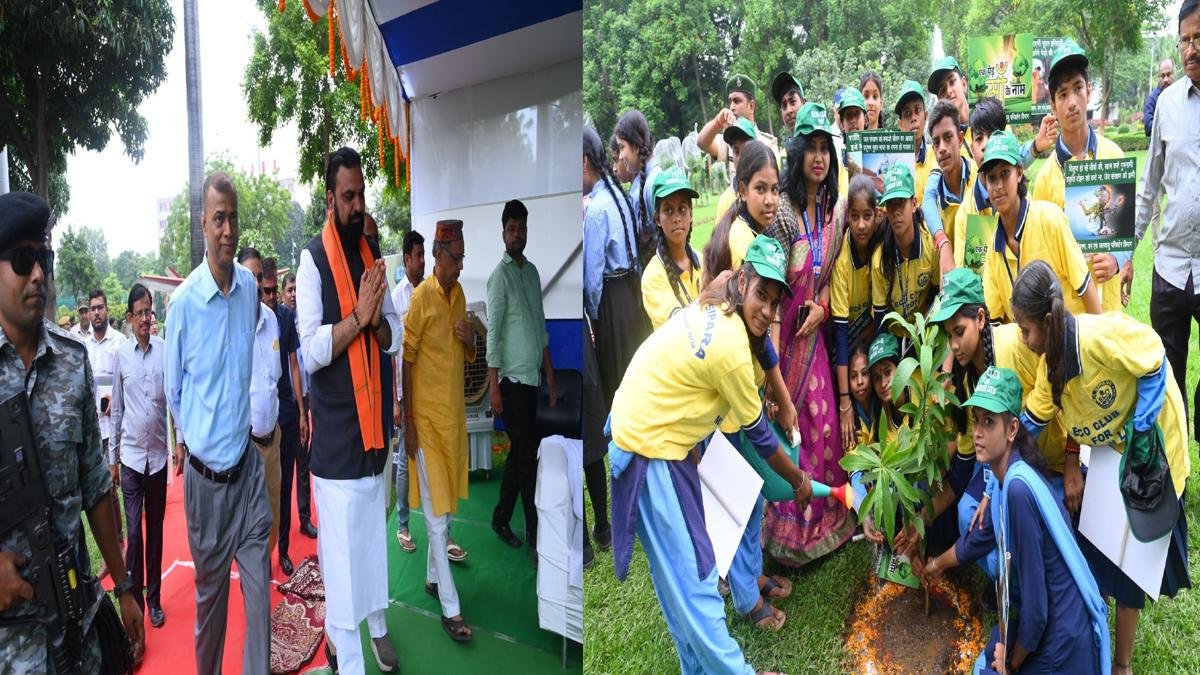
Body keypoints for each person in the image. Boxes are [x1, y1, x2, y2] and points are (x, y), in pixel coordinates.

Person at [609, 235, 813, 675]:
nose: (767, 311)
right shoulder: (731, 350)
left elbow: (763, 349)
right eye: (762, 294)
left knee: (678, 582)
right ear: (743, 281)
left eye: (774, 302)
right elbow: (760, 438)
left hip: (656, 435)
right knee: (697, 578)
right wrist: (798, 481)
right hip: (649, 447)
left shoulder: (722, 294)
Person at [1011, 260, 1191, 675]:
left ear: (1045, 321)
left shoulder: (1098, 336)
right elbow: (1030, 428)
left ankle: (1122, 665)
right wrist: (994, 480)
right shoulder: (1049, 371)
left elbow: (1154, 358)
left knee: (1133, 561)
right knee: (1104, 548)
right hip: (1114, 449)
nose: (1023, 339)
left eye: (1025, 330)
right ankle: (1102, 628)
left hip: (1154, 444)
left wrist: (1143, 430)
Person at [0, 192, 145, 669]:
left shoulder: (72, 361)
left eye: (43, 258)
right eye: (24, 260)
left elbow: (95, 489)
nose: (39, 274)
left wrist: (123, 588)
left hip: (79, 629)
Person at [917, 366, 1110, 674]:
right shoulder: (1005, 478)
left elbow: (1036, 611)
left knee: (990, 666)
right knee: (994, 648)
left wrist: (1012, 661)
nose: (977, 432)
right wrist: (936, 565)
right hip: (1056, 627)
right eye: (976, 420)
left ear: (1012, 430)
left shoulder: (1018, 491)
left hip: (1062, 643)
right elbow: (979, 539)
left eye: (989, 422)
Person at [296, 148, 403, 672]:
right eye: (348, 196)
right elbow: (311, 350)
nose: (358, 204)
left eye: (362, 194)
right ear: (330, 198)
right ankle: (351, 655)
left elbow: (394, 335)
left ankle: (379, 626)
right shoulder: (312, 259)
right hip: (337, 444)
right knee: (341, 568)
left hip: (374, 437)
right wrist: (359, 317)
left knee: (371, 549)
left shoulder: (372, 253)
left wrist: (377, 320)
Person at [166, 171, 272, 673]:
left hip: (248, 474)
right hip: (206, 489)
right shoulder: (183, 305)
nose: (228, 229)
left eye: (233, 217)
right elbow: (175, 393)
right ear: (203, 224)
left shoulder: (250, 288)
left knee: (260, 603)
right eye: (218, 219)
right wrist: (197, 440)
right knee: (212, 612)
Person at [764, 101, 854, 567]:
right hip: (780, 341)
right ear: (797, 154)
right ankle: (785, 537)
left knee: (821, 431)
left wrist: (820, 308)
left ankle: (824, 525)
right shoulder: (781, 213)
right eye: (811, 148)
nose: (819, 157)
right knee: (786, 430)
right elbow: (768, 285)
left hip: (813, 335)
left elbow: (828, 279)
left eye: (825, 148)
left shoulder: (834, 214)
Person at [403, 218, 479, 644]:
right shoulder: (420, 299)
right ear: (437, 255)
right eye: (456, 257)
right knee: (435, 519)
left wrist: (470, 340)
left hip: (453, 422)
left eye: (463, 257)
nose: (461, 266)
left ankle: (433, 577)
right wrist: (409, 422)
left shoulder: (459, 294)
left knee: (446, 509)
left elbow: (467, 356)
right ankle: (450, 607)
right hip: (426, 424)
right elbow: (406, 361)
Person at [1133, 0, 1200, 445]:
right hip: (1171, 268)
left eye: (1199, 38)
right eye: (1185, 41)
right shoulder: (1168, 106)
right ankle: (1174, 478)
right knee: (1167, 385)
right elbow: (1149, 184)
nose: (1191, 49)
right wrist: (1125, 251)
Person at [1031, 39, 1129, 312]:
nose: (1072, 102)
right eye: (1062, 95)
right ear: (1052, 105)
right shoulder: (1045, 180)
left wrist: (1117, 260)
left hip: (1108, 312)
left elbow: (1125, 232)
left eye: (1077, 89)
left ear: (1089, 91)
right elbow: (1043, 257)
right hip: (1068, 318)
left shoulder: (1113, 157)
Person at [487, 198, 556, 563]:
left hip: (532, 379)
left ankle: (500, 518)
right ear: (503, 233)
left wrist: (552, 377)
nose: (518, 234)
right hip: (510, 382)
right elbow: (494, 334)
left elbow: (541, 328)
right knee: (527, 456)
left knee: (519, 452)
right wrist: (494, 386)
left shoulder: (531, 273)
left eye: (522, 228)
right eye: (512, 229)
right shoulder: (498, 279)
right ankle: (535, 537)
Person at [976, 130, 1101, 324]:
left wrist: (1100, 338)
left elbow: (1084, 285)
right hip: (1027, 350)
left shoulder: (1049, 219)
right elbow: (996, 320)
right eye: (991, 178)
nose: (998, 186)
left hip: (1070, 338)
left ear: (1019, 173)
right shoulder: (994, 248)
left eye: (1004, 173)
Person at [111, 283, 169, 629]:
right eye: (141, 312)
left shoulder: (164, 350)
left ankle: (155, 599)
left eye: (150, 311)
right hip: (131, 459)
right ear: (130, 318)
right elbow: (116, 408)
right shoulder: (121, 355)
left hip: (159, 458)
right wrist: (113, 459)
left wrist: (178, 443)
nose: (147, 317)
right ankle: (133, 602)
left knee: (157, 530)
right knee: (135, 531)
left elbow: (173, 399)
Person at [237, 248, 284, 569]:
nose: (254, 284)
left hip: (274, 441)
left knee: (275, 515)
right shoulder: (229, 326)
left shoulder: (271, 321)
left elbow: (276, 378)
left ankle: (261, 571)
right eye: (248, 277)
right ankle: (252, 581)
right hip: (246, 446)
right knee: (249, 521)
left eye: (258, 277)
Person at [262, 257, 308, 577]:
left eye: (270, 291)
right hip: (261, 422)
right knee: (263, 493)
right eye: (262, 291)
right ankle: (260, 555)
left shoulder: (285, 318)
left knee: (286, 485)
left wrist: (303, 411)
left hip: (288, 414)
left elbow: (294, 365)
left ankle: (284, 552)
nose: (268, 297)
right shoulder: (247, 321)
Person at [833, 175, 883, 448]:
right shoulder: (842, 258)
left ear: (877, 214)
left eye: (867, 215)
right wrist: (843, 400)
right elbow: (840, 332)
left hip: (871, 338)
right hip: (846, 348)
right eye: (855, 216)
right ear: (847, 218)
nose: (862, 225)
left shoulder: (881, 245)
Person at [85, 287, 127, 577]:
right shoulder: (82, 344)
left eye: (101, 307)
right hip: (92, 428)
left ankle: (121, 542)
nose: (97, 312)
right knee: (101, 491)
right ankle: (114, 546)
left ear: (107, 310)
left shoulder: (119, 343)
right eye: (92, 308)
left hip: (115, 427)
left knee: (113, 486)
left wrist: (115, 396)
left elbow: (126, 381)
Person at [871, 163, 940, 332]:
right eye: (891, 204)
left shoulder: (930, 247)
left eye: (901, 202)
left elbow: (938, 294)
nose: (896, 212)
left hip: (924, 331)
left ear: (914, 204)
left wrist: (926, 326)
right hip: (892, 336)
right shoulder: (879, 259)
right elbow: (880, 318)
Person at [392, 230, 424, 554]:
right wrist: (396, 402)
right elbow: (393, 355)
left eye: (424, 255)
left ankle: (440, 528)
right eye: (418, 256)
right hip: (406, 393)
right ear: (406, 259)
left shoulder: (430, 291)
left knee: (432, 458)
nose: (423, 262)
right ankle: (403, 525)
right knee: (404, 461)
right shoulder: (397, 297)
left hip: (429, 392)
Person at [641, 166, 702, 329]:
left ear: (691, 214)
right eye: (668, 210)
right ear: (657, 219)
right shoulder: (652, 276)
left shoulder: (703, 261)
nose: (676, 218)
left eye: (682, 209)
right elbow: (678, 327)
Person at [282, 271, 318, 541]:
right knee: (285, 469)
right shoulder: (279, 322)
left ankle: (305, 518)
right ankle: (279, 526)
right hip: (286, 407)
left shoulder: (307, 320)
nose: (293, 294)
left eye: (296, 289)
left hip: (305, 400)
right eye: (289, 289)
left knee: (304, 462)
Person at [923, 100, 977, 276]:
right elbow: (927, 201)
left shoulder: (979, 177)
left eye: (948, 138)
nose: (942, 149)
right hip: (946, 280)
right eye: (936, 142)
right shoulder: (934, 190)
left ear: (960, 139)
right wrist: (943, 242)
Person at [698, 74, 781, 173]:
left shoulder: (768, 144)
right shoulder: (729, 141)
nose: (732, 107)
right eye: (730, 101)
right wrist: (717, 123)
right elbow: (702, 143)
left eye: (737, 101)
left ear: (751, 106)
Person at [613, 109, 661, 268]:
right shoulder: (644, 184)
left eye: (621, 147)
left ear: (637, 145)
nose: (620, 157)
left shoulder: (651, 184)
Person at [893, 81, 936, 207]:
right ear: (900, 124)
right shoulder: (892, 162)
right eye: (907, 113)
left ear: (926, 116)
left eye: (917, 110)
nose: (913, 117)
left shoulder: (938, 157)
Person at [714, 117, 758, 225]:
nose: (741, 157)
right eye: (736, 150)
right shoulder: (726, 200)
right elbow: (719, 240)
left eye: (747, 149)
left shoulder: (767, 192)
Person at [1143, 58, 1175, 137]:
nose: (1166, 79)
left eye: (1169, 74)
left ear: (1174, 74)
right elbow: (1148, 128)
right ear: (1158, 77)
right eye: (1162, 76)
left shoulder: (1181, 94)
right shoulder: (1152, 99)